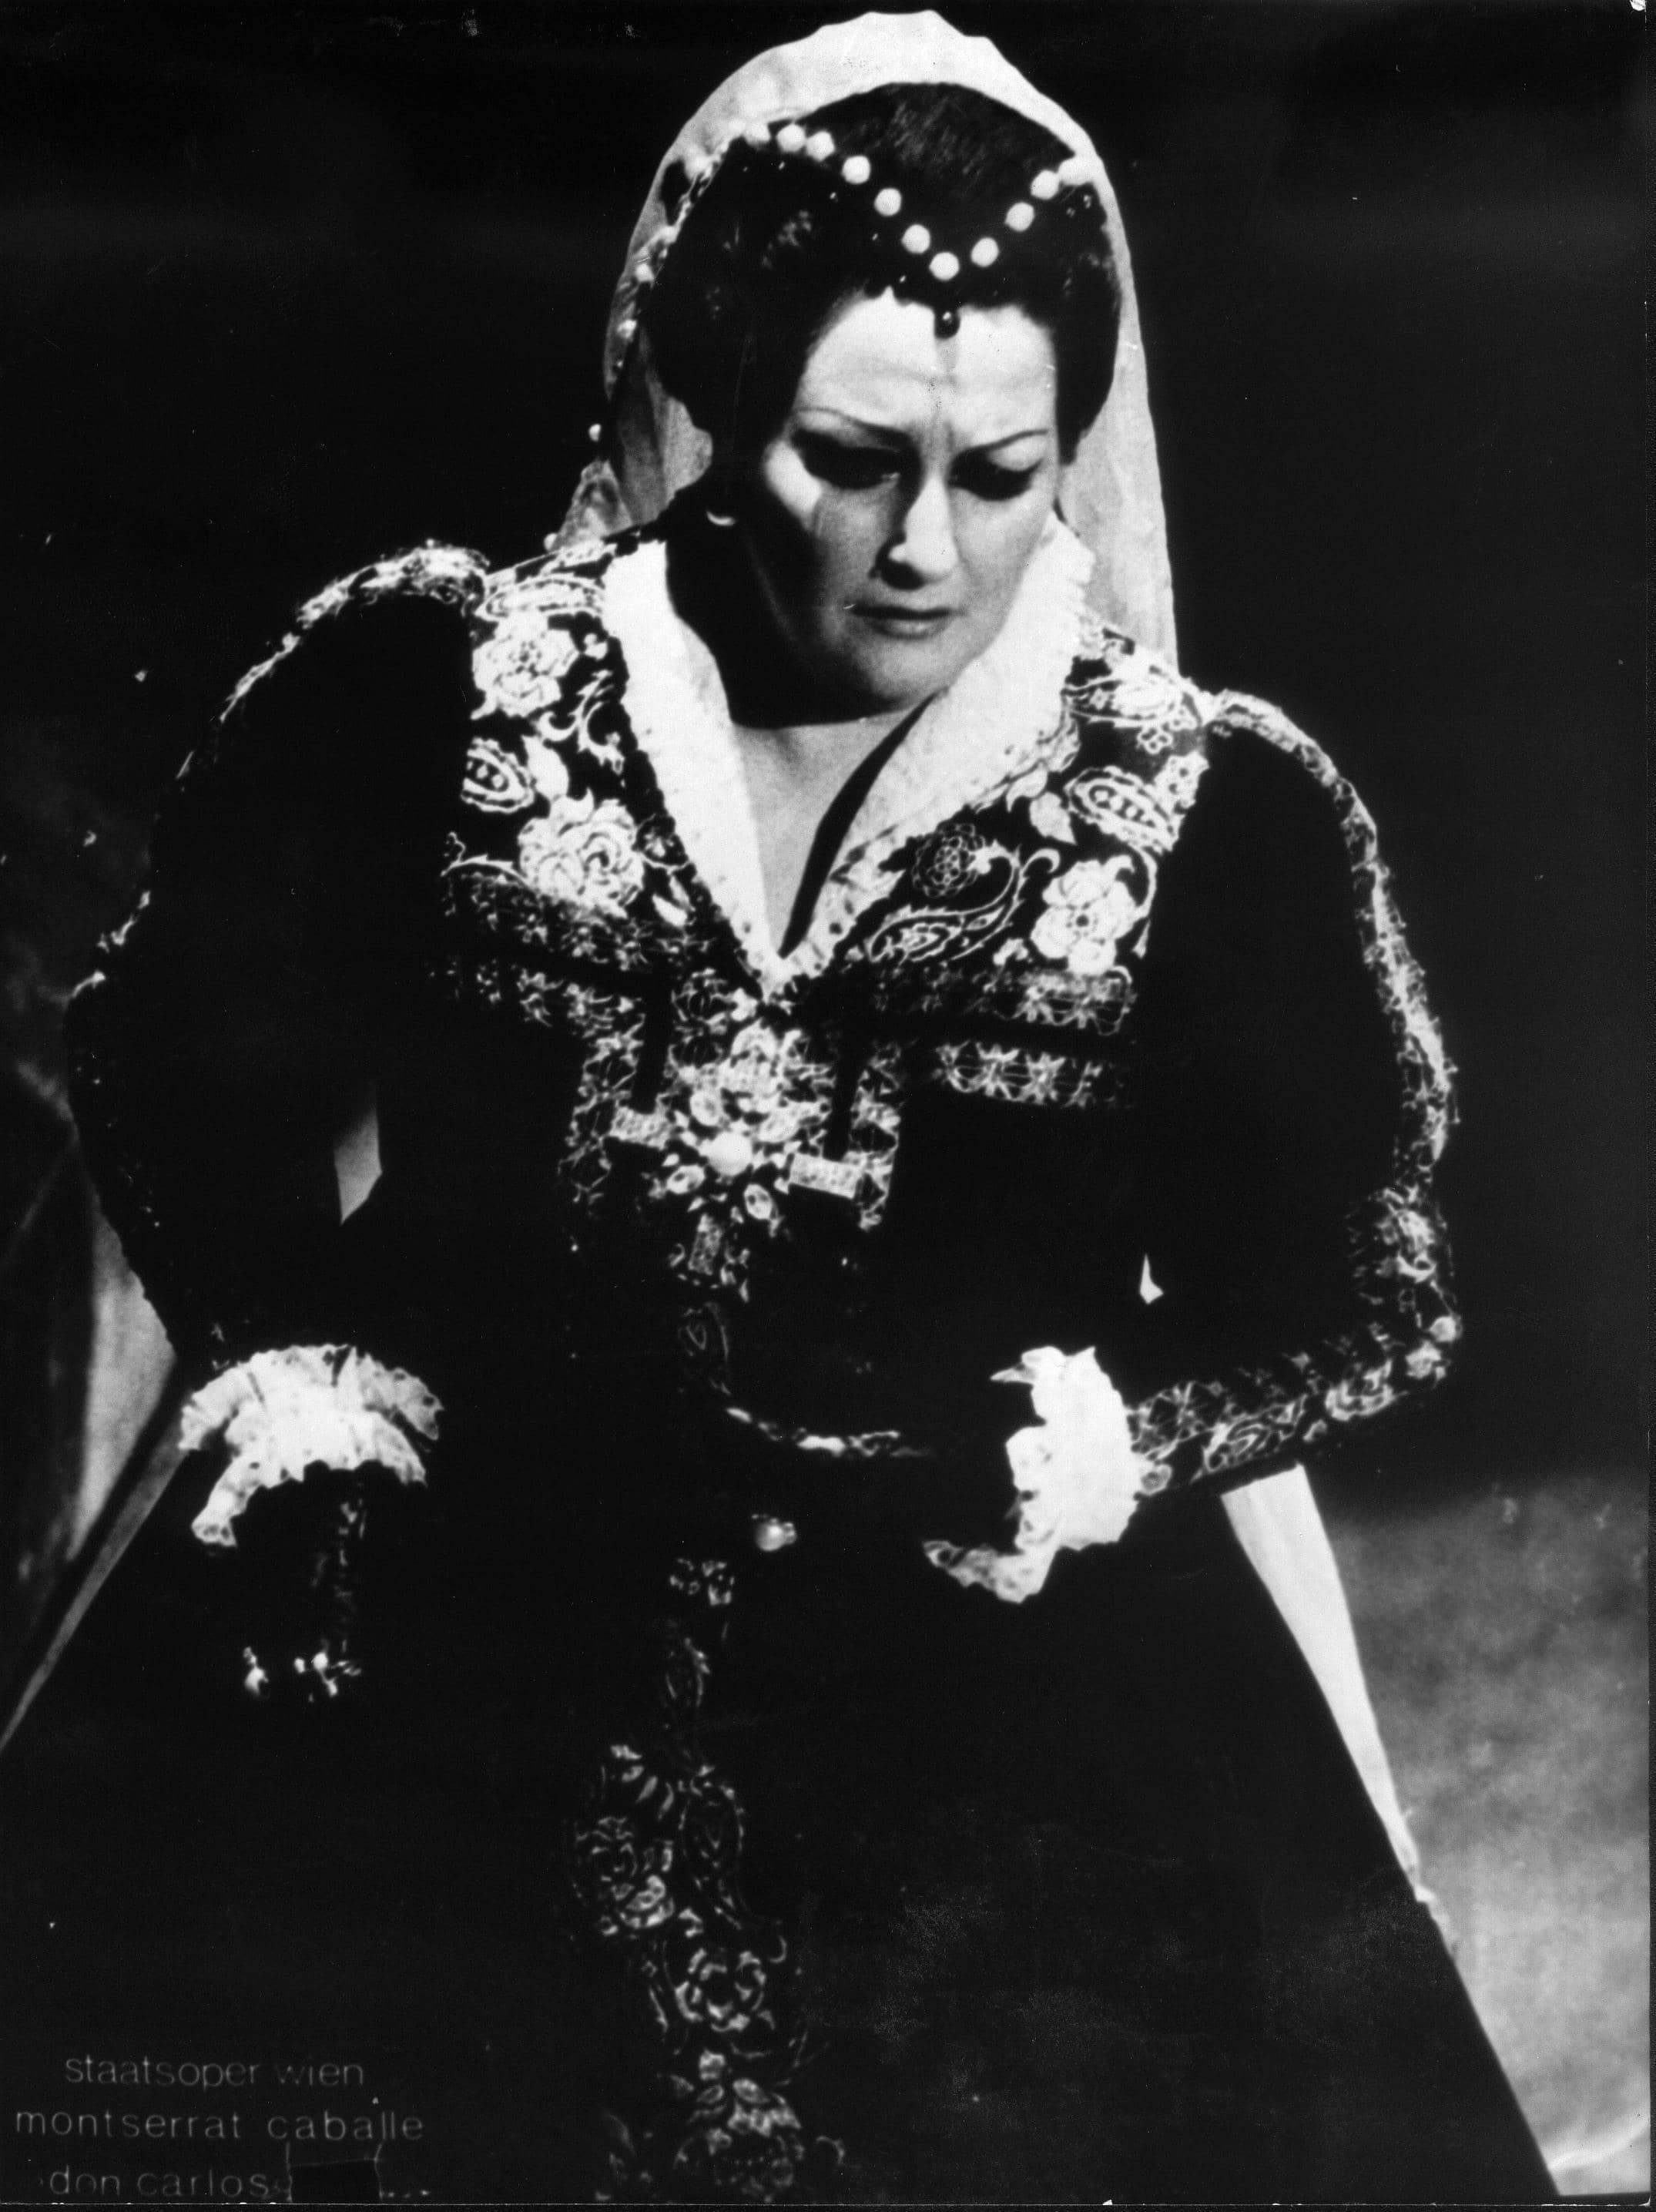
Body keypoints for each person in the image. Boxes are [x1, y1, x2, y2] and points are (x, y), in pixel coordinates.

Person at [65, 12, 1554, 2203]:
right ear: (715, 407)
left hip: (1003, 1736)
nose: (923, 546)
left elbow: (1373, 1288)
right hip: (447, 1656)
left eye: (1003, 472)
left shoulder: (1208, 812)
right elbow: (167, 1044)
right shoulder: (448, 686)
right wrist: (297, 1370)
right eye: (850, 457)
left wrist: (1108, 1442)